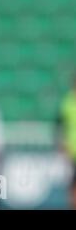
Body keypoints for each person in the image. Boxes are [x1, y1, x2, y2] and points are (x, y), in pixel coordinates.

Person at [58, 74, 76, 209]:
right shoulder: (68, 102)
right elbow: (60, 126)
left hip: (72, 149)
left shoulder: (68, 101)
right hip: (72, 150)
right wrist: (62, 144)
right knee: (72, 183)